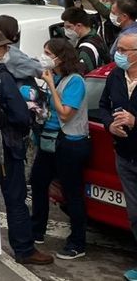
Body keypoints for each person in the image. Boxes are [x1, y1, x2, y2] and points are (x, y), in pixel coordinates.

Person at [0, 27, 54, 265]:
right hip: (6, 143)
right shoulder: (1, 75)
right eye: (5, 47)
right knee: (15, 198)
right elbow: (19, 114)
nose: (8, 50)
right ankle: (24, 249)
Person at [30, 38, 91, 260]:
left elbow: (66, 113)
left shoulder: (75, 81)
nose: (44, 56)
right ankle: (36, 230)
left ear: (60, 57)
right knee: (38, 182)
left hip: (70, 143)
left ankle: (77, 243)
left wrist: (52, 87)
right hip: (49, 140)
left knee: (72, 192)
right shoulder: (56, 77)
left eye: (48, 52)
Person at [102, 32, 137, 280]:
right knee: (134, 214)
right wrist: (109, 125)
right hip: (125, 156)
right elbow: (103, 106)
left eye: (124, 50)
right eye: (119, 49)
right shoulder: (115, 75)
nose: (119, 54)